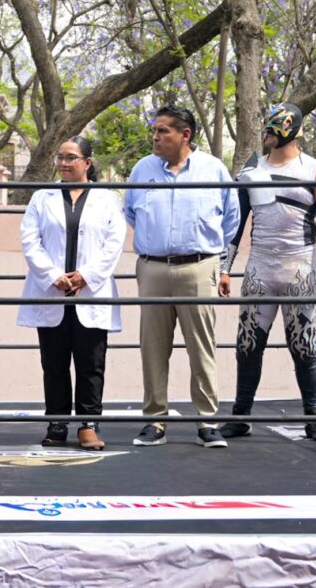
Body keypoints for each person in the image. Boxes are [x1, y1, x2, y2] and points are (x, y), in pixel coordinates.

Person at [123, 106, 239, 448]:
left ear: (184, 135)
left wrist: (216, 262)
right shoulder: (142, 169)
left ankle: (207, 422)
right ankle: (154, 421)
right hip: (153, 267)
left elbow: (230, 221)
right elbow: (131, 212)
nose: (155, 137)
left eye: (163, 131)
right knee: (153, 348)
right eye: (155, 131)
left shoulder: (213, 170)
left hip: (199, 267)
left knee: (201, 347)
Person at [219, 103, 316, 441]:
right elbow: (237, 225)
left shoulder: (314, 168)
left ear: (292, 127)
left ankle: (315, 417)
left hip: (300, 266)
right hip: (260, 267)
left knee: (304, 346)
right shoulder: (251, 169)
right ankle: (240, 415)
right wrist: (225, 268)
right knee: (247, 344)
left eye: (274, 125)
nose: (267, 130)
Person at [18, 137, 125, 451]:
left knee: (91, 363)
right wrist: (53, 277)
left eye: (71, 157)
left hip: (91, 291)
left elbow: (114, 243)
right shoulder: (42, 197)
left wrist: (86, 276)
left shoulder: (106, 199)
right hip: (52, 291)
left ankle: (89, 424)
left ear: (87, 163)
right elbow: (30, 240)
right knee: (54, 362)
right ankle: (57, 422)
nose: (63, 163)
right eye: (59, 158)